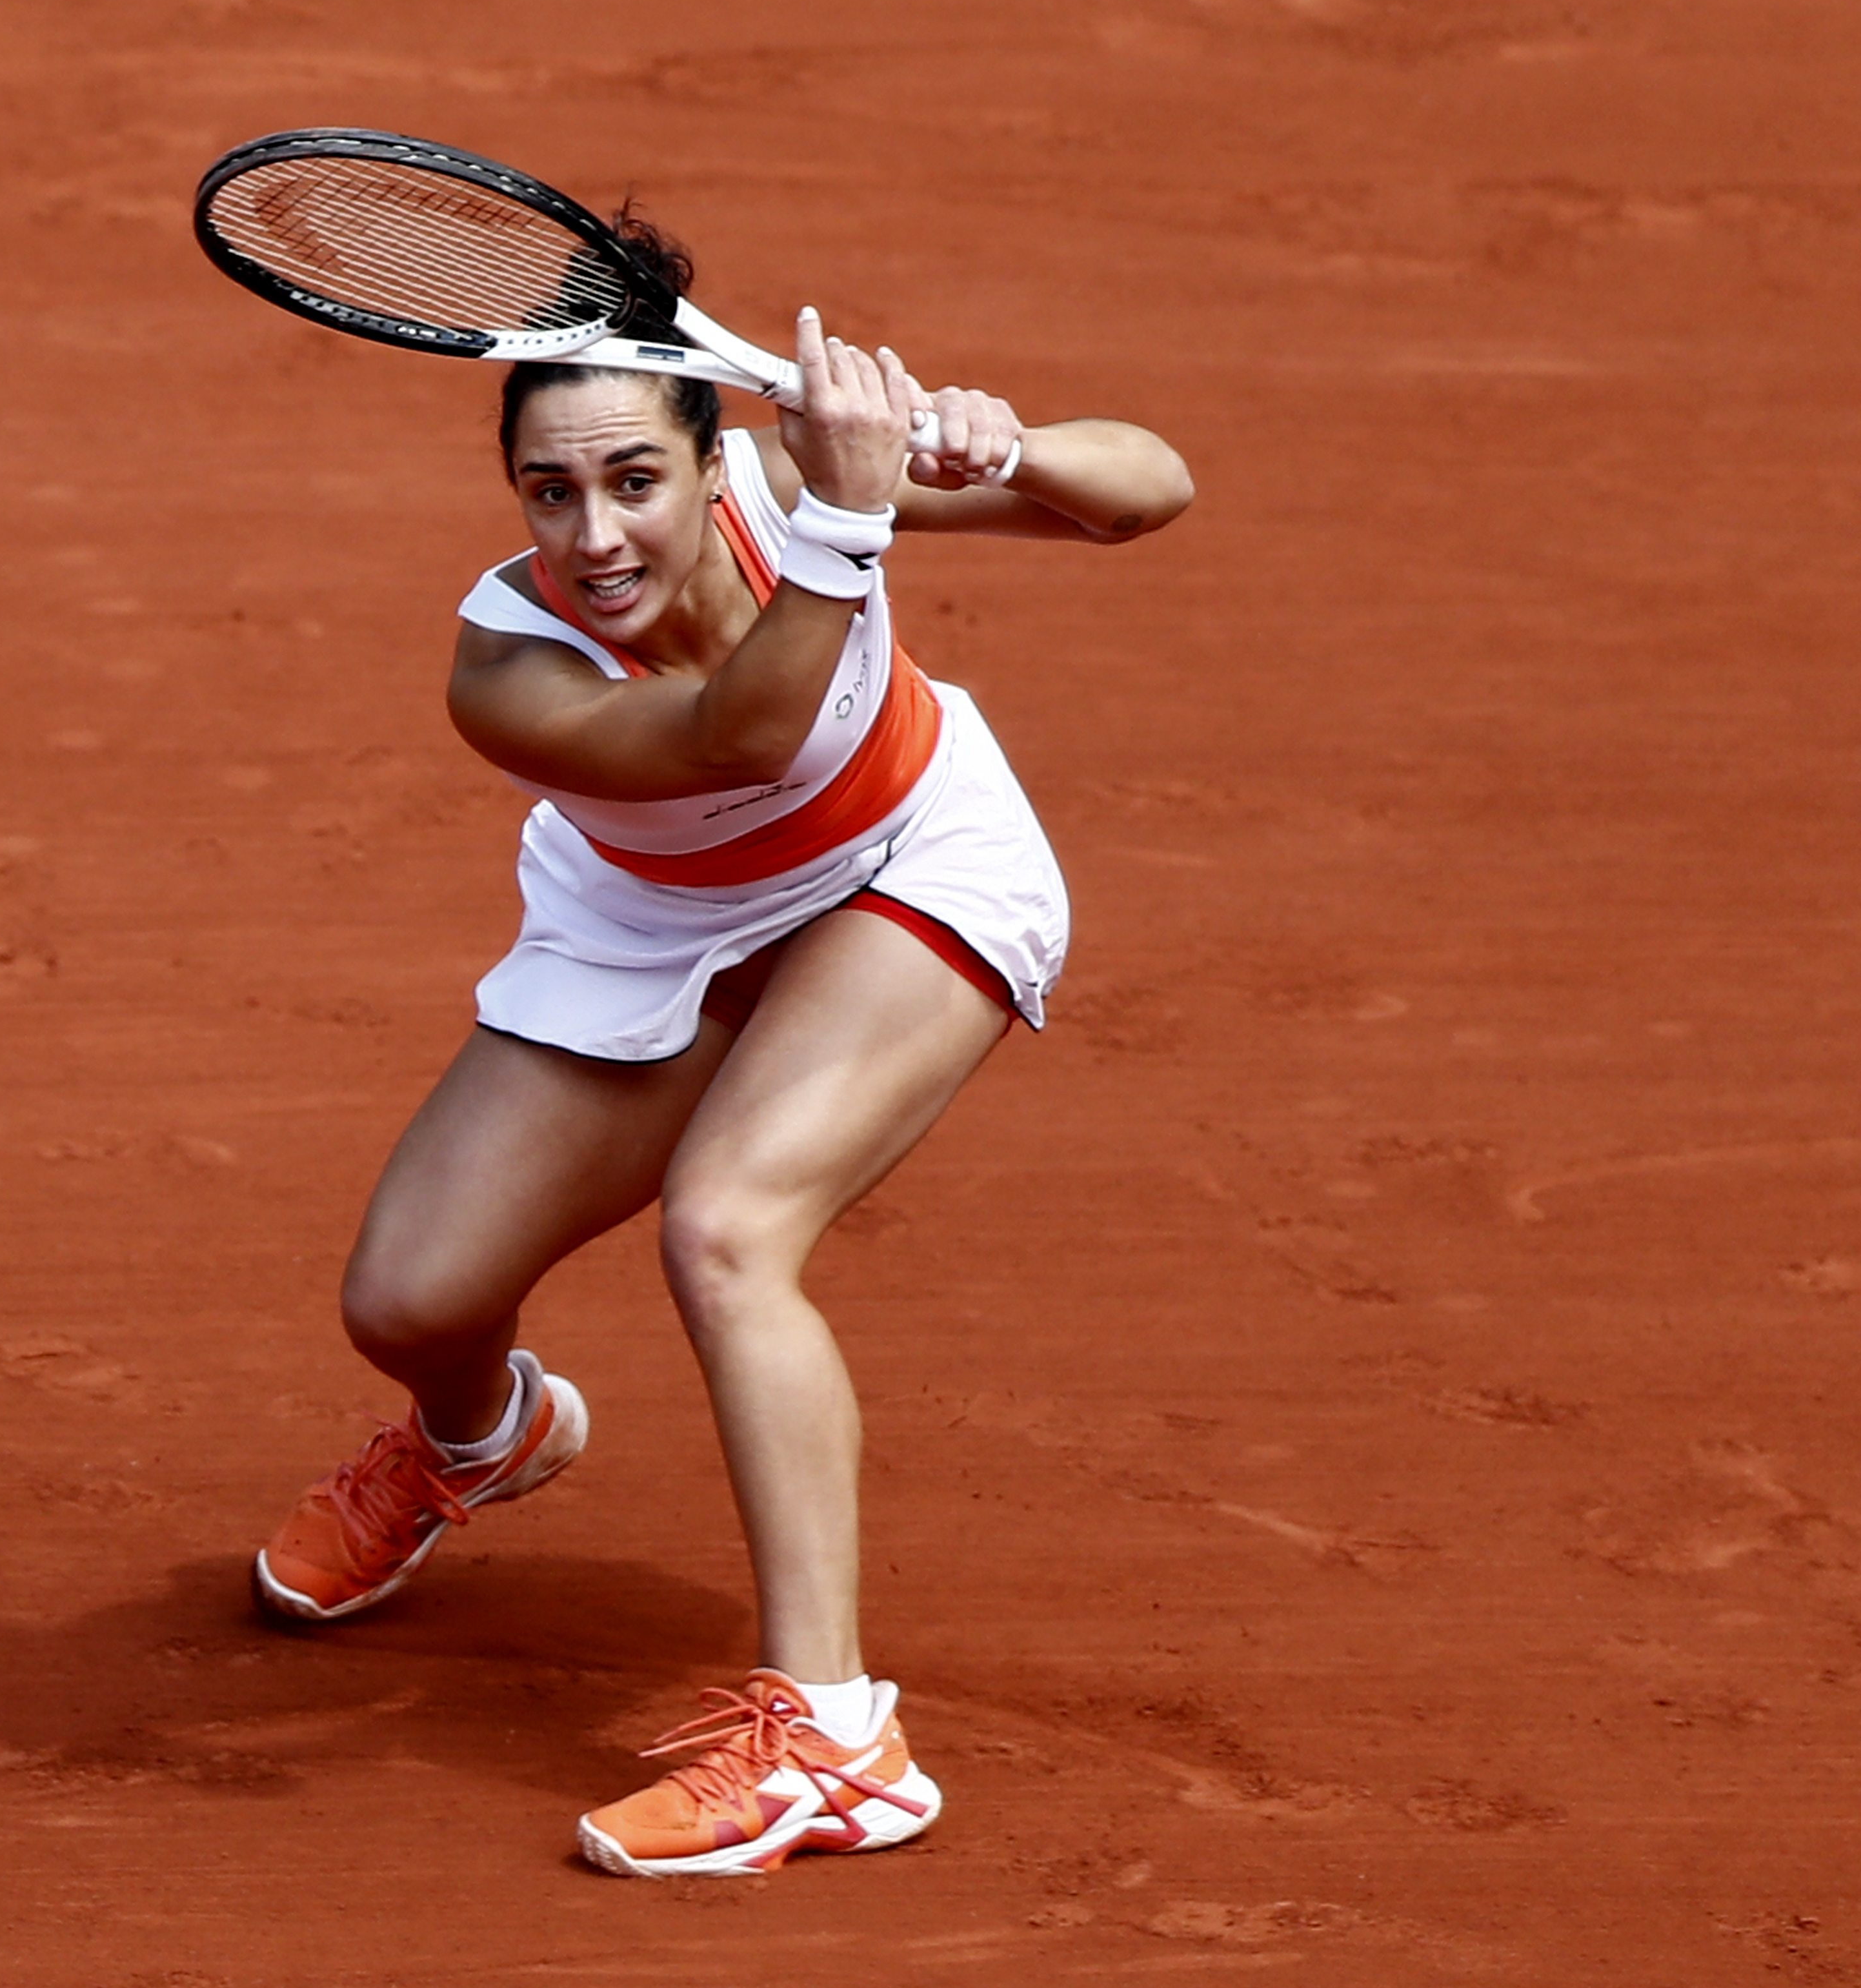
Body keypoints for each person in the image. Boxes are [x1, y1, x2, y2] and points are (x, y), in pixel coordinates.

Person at [246, 211, 1192, 1879]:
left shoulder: (796, 487)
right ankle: (484, 1440)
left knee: (731, 1226)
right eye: (551, 491)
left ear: (708, 457)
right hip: (653, 925)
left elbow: (1150, 488)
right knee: (406, 1297)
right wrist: (854, 506)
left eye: (633, 478)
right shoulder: (507, 663)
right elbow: (728, 731)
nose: (595, 532)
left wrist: (1000, 444)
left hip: (909, 862)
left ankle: (834, 1738)